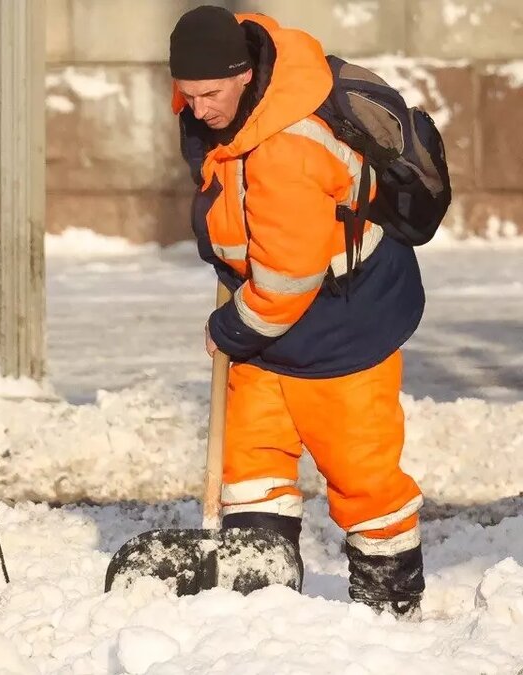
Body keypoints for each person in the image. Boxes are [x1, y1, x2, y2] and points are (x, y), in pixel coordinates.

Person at [168, 6, 426, 619]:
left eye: (210, 94)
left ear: (243, 77)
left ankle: (390, 608)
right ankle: (262, 602)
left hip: (342, 324)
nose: (198, 109)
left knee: (361, 473)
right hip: (268, 319)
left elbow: (289, 277)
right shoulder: (230, 101)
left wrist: (229, 328)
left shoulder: (287, 145)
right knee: (250, 461)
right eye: (187, 94)